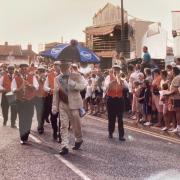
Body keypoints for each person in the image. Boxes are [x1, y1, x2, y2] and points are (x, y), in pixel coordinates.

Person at [52, 62, 86, 155]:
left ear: (69, 66)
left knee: (76, 125)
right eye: (62, 66)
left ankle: (78, 139)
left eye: (66, 66)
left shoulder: (77, 75)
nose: (64, 68)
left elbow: (83, 86)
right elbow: (55, 92)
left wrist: (74, 84)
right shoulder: (57, 78)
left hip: (74, 104)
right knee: (63, 125)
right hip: (63, 104)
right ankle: (64, 146)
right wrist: (54, 105)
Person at [11, 63, 39, 144]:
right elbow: (13, 90)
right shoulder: (15, 78)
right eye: (22, 69)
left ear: (27, 69)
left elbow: (36, 87)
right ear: (20, 70)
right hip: (21, 101)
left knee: (29, 118)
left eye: (25, 69)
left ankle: (26, 134)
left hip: (30, 101)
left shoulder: (32, 77)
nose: (24, 70)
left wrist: (30, 86)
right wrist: (21, 86)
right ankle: (22, 137)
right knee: (22, 119)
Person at [105, 64, 125, 141]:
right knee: (111, 118)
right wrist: (113, 80)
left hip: (120, 100)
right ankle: (110, 132)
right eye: (115, 70)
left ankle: (121, 135)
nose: (116, 71)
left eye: (118, 70)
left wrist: (120, 80)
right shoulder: (108, 78)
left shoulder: (121, 78)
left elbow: (126, 86)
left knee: (120, 118)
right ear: (112, 70)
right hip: (111, 100)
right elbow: (106, 87)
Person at [44, 61, 61, 140]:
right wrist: (50, 89)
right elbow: (45, 86)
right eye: (55, 66)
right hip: (52, 98)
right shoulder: (49, 75)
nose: (56, 67)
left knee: (62, 117)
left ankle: (60, 133)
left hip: (62, 98)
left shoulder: (64, 76)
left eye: (58, 66)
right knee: (53, 117)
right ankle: (55, 130)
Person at [34, 65, 47, 134]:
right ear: (38, 71)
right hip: (37, 97)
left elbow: (46, 85)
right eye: (40, 71)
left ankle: (41, 125)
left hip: (44, 96)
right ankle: (40, 126)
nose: (41, 72)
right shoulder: (35, 77)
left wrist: (43, 79)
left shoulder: (45, 77)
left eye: (42, 71)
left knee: (42, 112)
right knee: (39, 112)